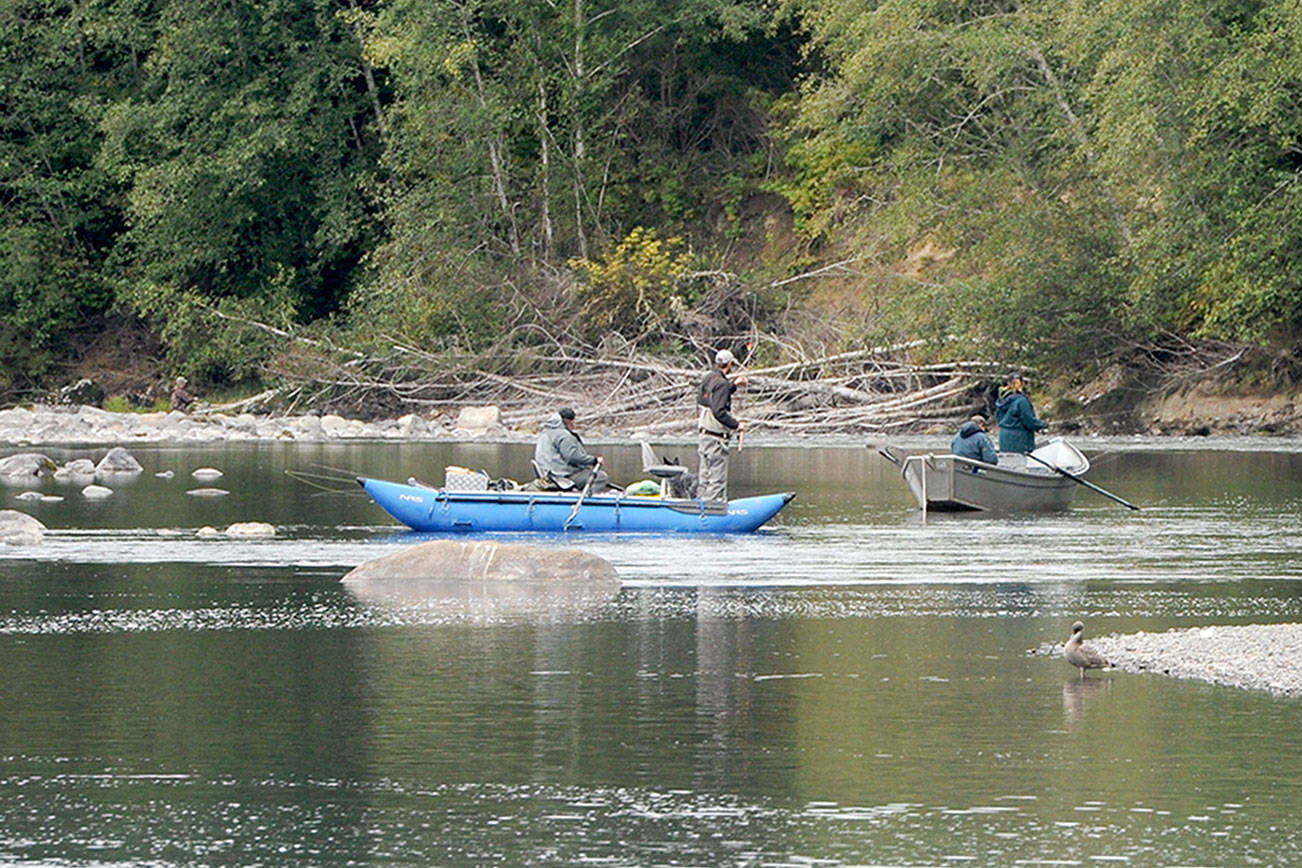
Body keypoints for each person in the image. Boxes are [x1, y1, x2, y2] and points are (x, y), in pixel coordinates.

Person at [696, 348, 748, 501]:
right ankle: (712, 511)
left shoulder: (708, 378)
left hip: (704, 435)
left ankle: (701, 506)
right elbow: (719, 411)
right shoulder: (722, 384)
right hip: (716, 439)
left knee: (704, 477)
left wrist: (734, 385)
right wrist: (737, 425)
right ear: (730, 364)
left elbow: (713, 397)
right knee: (717, 479)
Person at [533, 407, 608, 491]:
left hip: (548, 473)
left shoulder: (546, 432)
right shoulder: (564, 435)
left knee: (588, 474)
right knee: (600, 477)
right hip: (560, 475)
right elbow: (572, 457)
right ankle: (590, 502)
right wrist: (594, 460)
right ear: (572, 423)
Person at [994, 372, 1047, 454]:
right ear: (1022, 384)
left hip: (1004, 441)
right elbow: (1029, 422)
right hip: (1020, 443)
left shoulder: (1001, 400)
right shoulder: (1021, 401)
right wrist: (1043, 425)